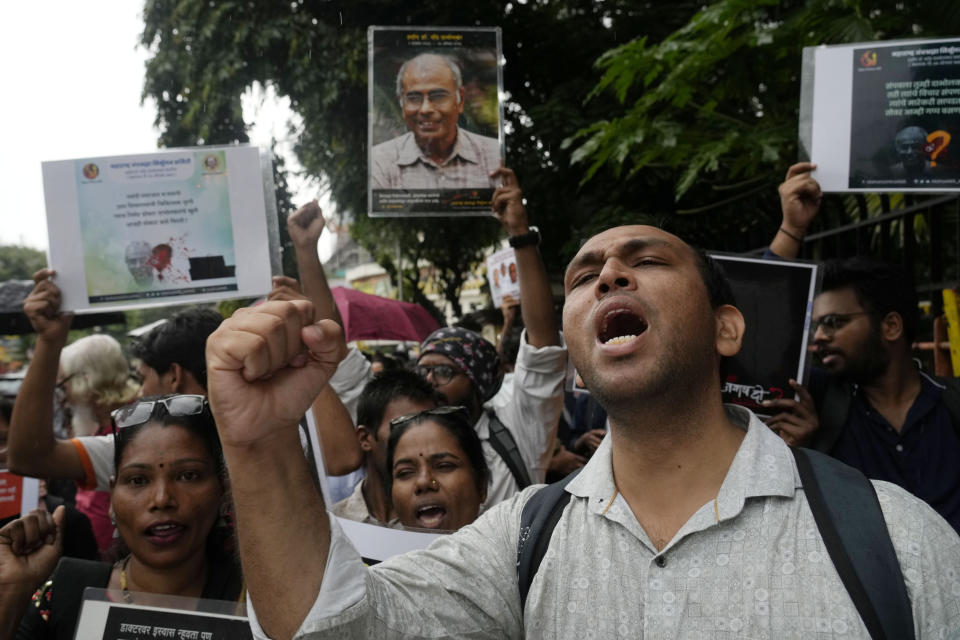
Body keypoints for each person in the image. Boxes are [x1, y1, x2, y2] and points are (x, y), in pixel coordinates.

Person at [205, 224, 960, 639]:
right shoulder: (519, 545)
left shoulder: (894, 540)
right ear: (571, 351)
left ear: (728, 327)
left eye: (648, 260)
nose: (609, 276)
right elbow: (331, 630)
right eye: (584, 274)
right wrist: (259, 441)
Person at [764, 162, 960, 533]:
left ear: (890, 325)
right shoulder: (821, 402)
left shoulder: (950, 404)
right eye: (816, 325)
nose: (819, 337)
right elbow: (758, 325)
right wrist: (792, 228)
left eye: (835, 323)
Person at [0, 394, 242, 638]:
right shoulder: (67, 594)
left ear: (221, 491)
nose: (161, 499)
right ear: (112, 499)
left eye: (188, 476)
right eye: (137, 480)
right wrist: (13, 592)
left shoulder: (253, 602)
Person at [8, 282, 221, 507]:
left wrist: (49, 342)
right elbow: (27, 457)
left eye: (142, 379)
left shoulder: (138, 447)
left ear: (174, 377)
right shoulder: (257, 435)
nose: (161, 500)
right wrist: (49, 340)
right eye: (139, 480)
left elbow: (31, 458)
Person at [9, 273, 141, 554]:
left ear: (87, 379)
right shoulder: (102, 430)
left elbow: (29, 457)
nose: (63, 394)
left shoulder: (137, 433)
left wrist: (49, 341)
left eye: (64, 383)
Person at [370, 53, 501, 191]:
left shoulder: (493, 156)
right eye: (414, 98)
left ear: (460, 100)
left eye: (438, 96)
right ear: (402, 104)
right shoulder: (380, 161)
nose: (426, 109)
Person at [331, 369, 438, 528]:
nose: (419, 442)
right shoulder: (336, 525)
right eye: (403, 428)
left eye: (429, 431)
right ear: (365, 438)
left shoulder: (446, 519)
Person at [387, 406, 489, 531]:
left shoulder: (513, 548)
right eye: (405, 473)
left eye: (444, 466)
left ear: (481, 485)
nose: (423, 482)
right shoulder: (372, 550)